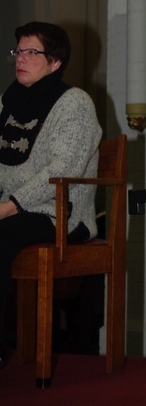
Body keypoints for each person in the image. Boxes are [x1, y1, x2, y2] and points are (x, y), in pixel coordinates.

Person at [0, 22, 102, 367]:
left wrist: (9, 206)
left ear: (55, 62)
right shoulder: (8, 102)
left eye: (32, 52)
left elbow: (61, 170)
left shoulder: (74, 103)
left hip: (59, 212)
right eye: (18, 51)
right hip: (12, 209)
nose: (21, 59)